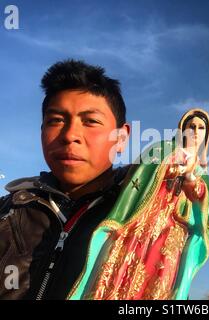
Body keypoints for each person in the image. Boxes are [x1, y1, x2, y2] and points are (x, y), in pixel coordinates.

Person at [0, 59, 130, 299]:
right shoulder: (7, 214)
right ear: (41, 131)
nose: (70, 135)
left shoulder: (138, 214)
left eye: (90, 121)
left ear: (121, 138)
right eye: (56, 120)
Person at [67, 109, 209, 300]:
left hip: (172, 234)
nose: (195, 131)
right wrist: (170, 167)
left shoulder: (203, 173)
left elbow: (205, 208)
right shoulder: (163, 149)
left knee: (161, 279)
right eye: (191, 126)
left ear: (207, 134)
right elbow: (145, 171)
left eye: (201, 128)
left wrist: (192, 181)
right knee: (125, 273)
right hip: (144, 223)